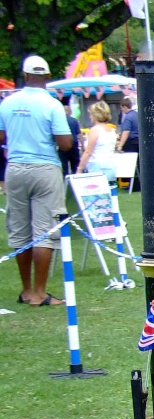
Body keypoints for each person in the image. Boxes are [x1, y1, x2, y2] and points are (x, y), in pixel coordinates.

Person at [0, 55, 74, 306]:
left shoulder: (8, 102)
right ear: (47, 77)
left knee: (20, 229)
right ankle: (40, 293)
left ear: (25, 76)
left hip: (16, 167)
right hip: (44, 167)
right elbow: (65, 143)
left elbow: (1, 135)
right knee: (45, 231)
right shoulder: (52, 104)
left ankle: (26, 289)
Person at [77, 101, 117, 183]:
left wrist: (80, 169)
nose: (90, 117)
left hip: (97, 165)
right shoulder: (112, 131)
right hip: (110, 164)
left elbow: (88, 152)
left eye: (91, 114)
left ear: (95, 115)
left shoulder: (95, 130)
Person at [116, 96, 140, 191]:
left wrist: (120, 145)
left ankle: (131, 185)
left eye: (121, 108)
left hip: (131, 143)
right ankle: (139, 184)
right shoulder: (137, 115)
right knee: (139, 164)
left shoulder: (128, 117)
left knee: (130, 165)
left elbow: (126, 131)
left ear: (124, 106)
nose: (121, 110)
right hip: (139, 142)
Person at [60, 99, 81, 176]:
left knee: (64, 165)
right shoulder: (74, 120)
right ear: (69, 111)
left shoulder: (59, 120)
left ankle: (65, 183)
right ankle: (75, 180)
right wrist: (82, 145)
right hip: (74, 143)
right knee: (75, 165)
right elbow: (79, 134)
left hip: (62, 145)